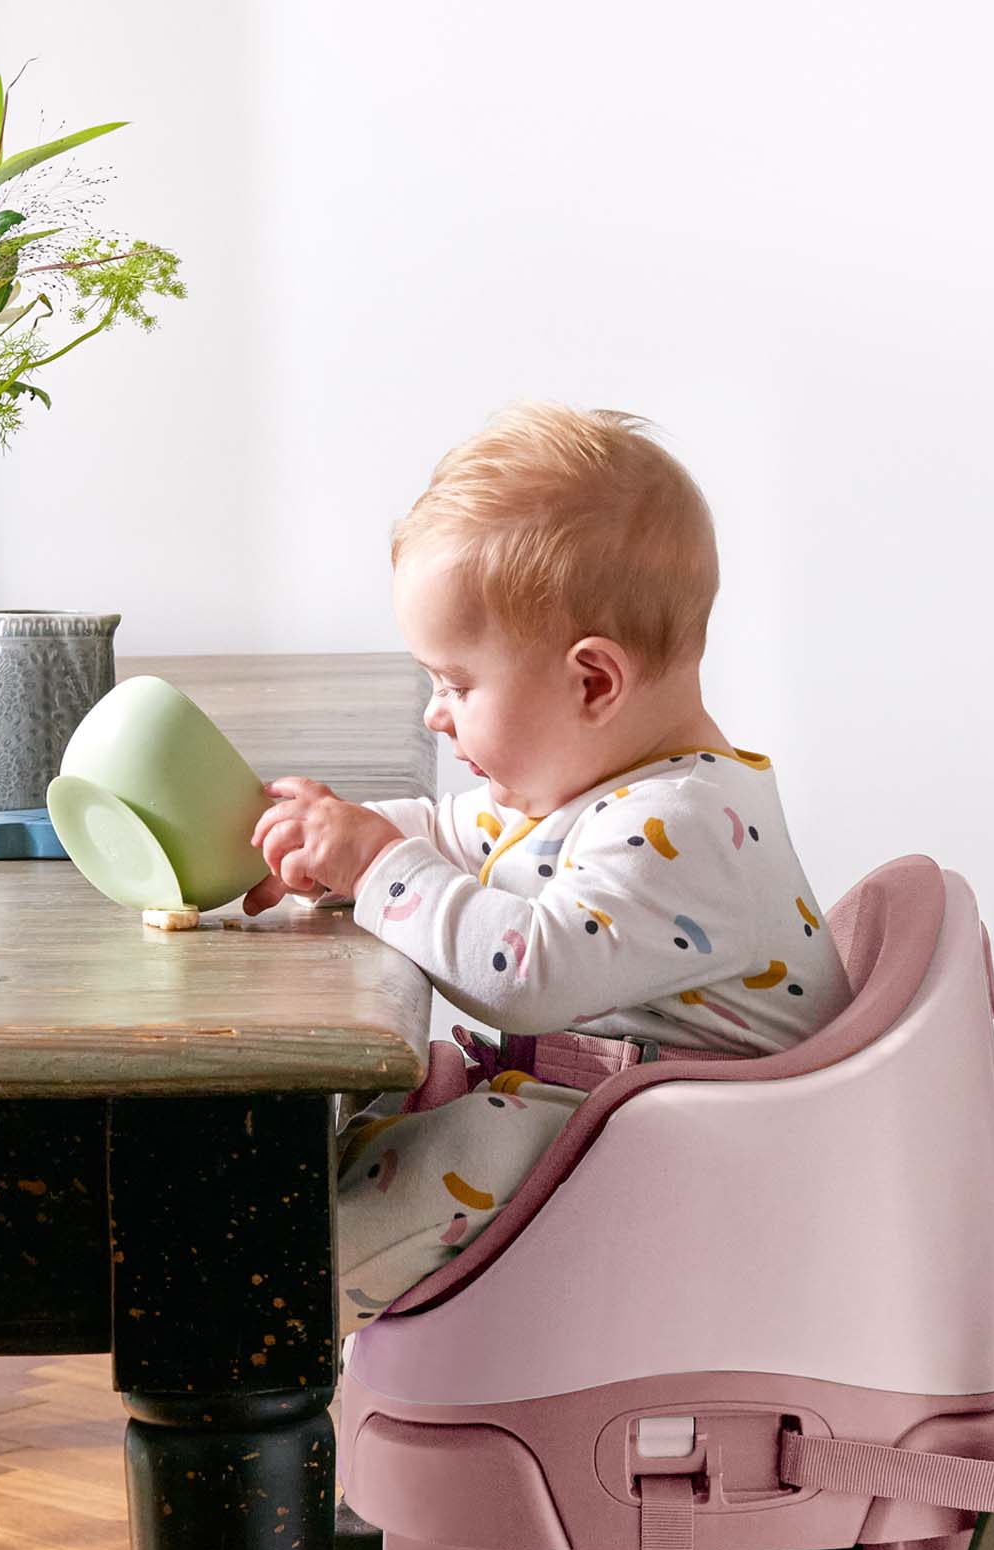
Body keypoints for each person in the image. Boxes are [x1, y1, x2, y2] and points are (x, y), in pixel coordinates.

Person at [247, 402, 850, 1331]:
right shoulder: (602, 786)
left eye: (456, 684)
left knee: (483, 1140)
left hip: (708, 1189)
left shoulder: (684, 827)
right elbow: (459, 836)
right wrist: (337, 844)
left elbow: (526, 972)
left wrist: (375, 866)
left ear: (593, 682)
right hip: (627, 1133)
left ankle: (264, 1305)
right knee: (409, 1090)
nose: (434, 716)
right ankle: (275, 1226)